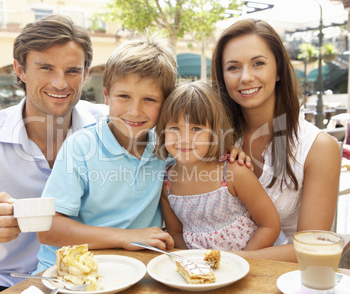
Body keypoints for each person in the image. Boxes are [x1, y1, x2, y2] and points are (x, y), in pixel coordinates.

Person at [0, 14, 108, 293]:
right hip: (4, 279)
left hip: (96, 276)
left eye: (72, 70)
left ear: (85, 74)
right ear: (20, 70)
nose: (60, 83)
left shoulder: (114, 128)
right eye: (46, 68)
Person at [34, 32, 178, 272]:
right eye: (124, 96)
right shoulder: (81, 147)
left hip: (134, 270)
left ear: (166, 103)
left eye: (149, 99)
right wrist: (126, 237)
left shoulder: (168, 149)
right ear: (107, 95)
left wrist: (232, 155)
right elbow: (47, 228)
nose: (134, 111)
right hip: (68, 272)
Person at [211, 19, 341, 262]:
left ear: (279, 70)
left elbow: (311, 248)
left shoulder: (318, 147)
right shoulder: (212, 141)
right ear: (222, 77)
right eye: (233, 67)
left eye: (258, 63)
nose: (246, 77)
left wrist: (229, 261)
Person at [155, 81, 282, 251]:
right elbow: (176, 233)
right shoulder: (167, 183)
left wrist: (240, 262)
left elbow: (269, 226)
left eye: (196, 128)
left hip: (248, 264)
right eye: (174, 128)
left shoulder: (233, 171)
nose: (184, 138)